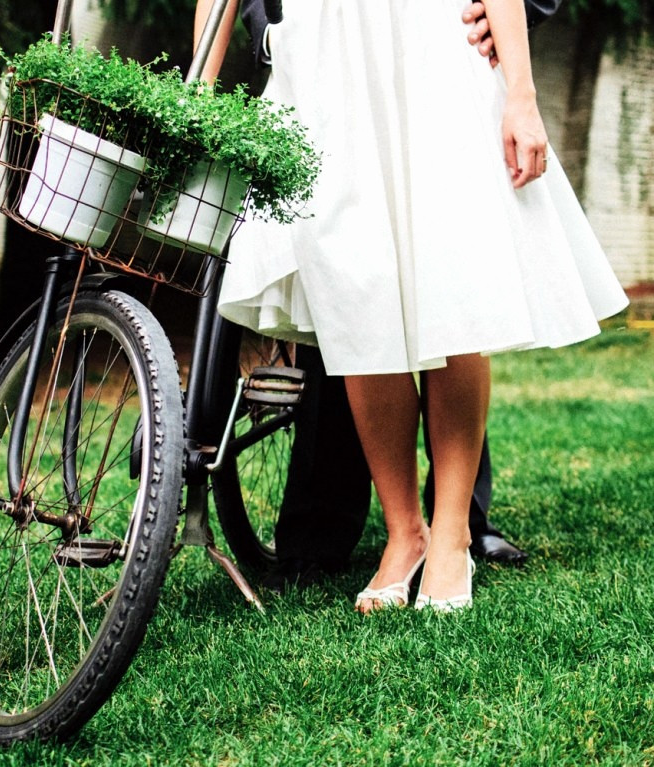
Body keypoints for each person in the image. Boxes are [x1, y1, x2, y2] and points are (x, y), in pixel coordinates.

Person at [195, 0, 627, 612]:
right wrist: (199, 89)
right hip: (322, 62)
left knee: (450, 287)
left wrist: (521, 95)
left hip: (431, 49)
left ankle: (451, 536)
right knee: (353, 296)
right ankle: (406, 533)